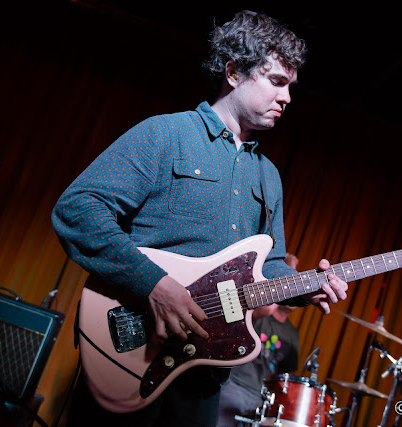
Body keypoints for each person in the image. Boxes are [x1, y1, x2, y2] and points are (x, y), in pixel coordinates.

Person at [52, 10, 348, 427]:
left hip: (206, 371)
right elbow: (78, 210)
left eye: (290, 87)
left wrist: (306, 289)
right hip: (135, 346)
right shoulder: (166, 134)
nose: (287, 98)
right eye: (277, 82)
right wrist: (154, 284)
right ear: (234, 73)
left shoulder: (269, 176)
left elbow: (270, 266)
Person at [217, 254, 301, 426]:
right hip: (233, 384)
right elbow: (268, 307)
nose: (295, 290)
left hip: (258, 396)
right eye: (291, 286)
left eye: (297, 288)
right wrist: (287, 270)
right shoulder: (262, 313)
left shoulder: (292, 335)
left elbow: (287, 375)